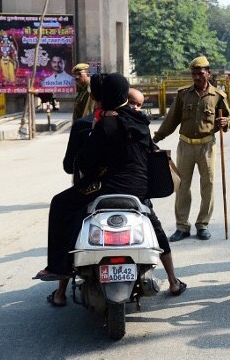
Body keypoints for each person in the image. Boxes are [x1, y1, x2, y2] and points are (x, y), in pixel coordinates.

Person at [36, 73, 185, 306]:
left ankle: (59, 271)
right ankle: (173, 280)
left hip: (107, 190)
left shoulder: (101, 123)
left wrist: (95, 132)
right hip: (139, 191)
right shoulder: (140, 121)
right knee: (154, 223)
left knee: (61, 204)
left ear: (101, 97)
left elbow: (85, 165)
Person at [153, 56, 230, 242]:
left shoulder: (218, 96)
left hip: (207, 146)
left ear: (208, 73)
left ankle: (203, 224)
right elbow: (171, 120)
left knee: (208, 184)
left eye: (200, 74)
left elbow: (229, 118)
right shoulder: (183, 95)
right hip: (186, 145)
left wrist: (225, 122)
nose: (196, 77)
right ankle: (182, 226)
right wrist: (155, 139)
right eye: (194, 74)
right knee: (181, 186)